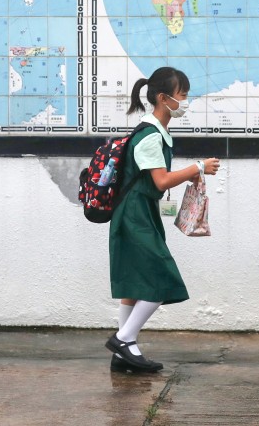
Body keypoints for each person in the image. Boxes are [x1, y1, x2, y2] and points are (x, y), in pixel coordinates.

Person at [106, 66, 220, 372]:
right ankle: (123, 339)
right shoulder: (149, 136)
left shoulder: (157, 132)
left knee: (133, 284)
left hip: (139, 212)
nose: (185, 101)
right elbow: (160, 181)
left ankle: (122, 354)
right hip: (134, 215)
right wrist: (197, 167)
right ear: (163, 98)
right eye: (182, 95)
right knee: (160, 278)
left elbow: (157, 180)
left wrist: (189, 173)